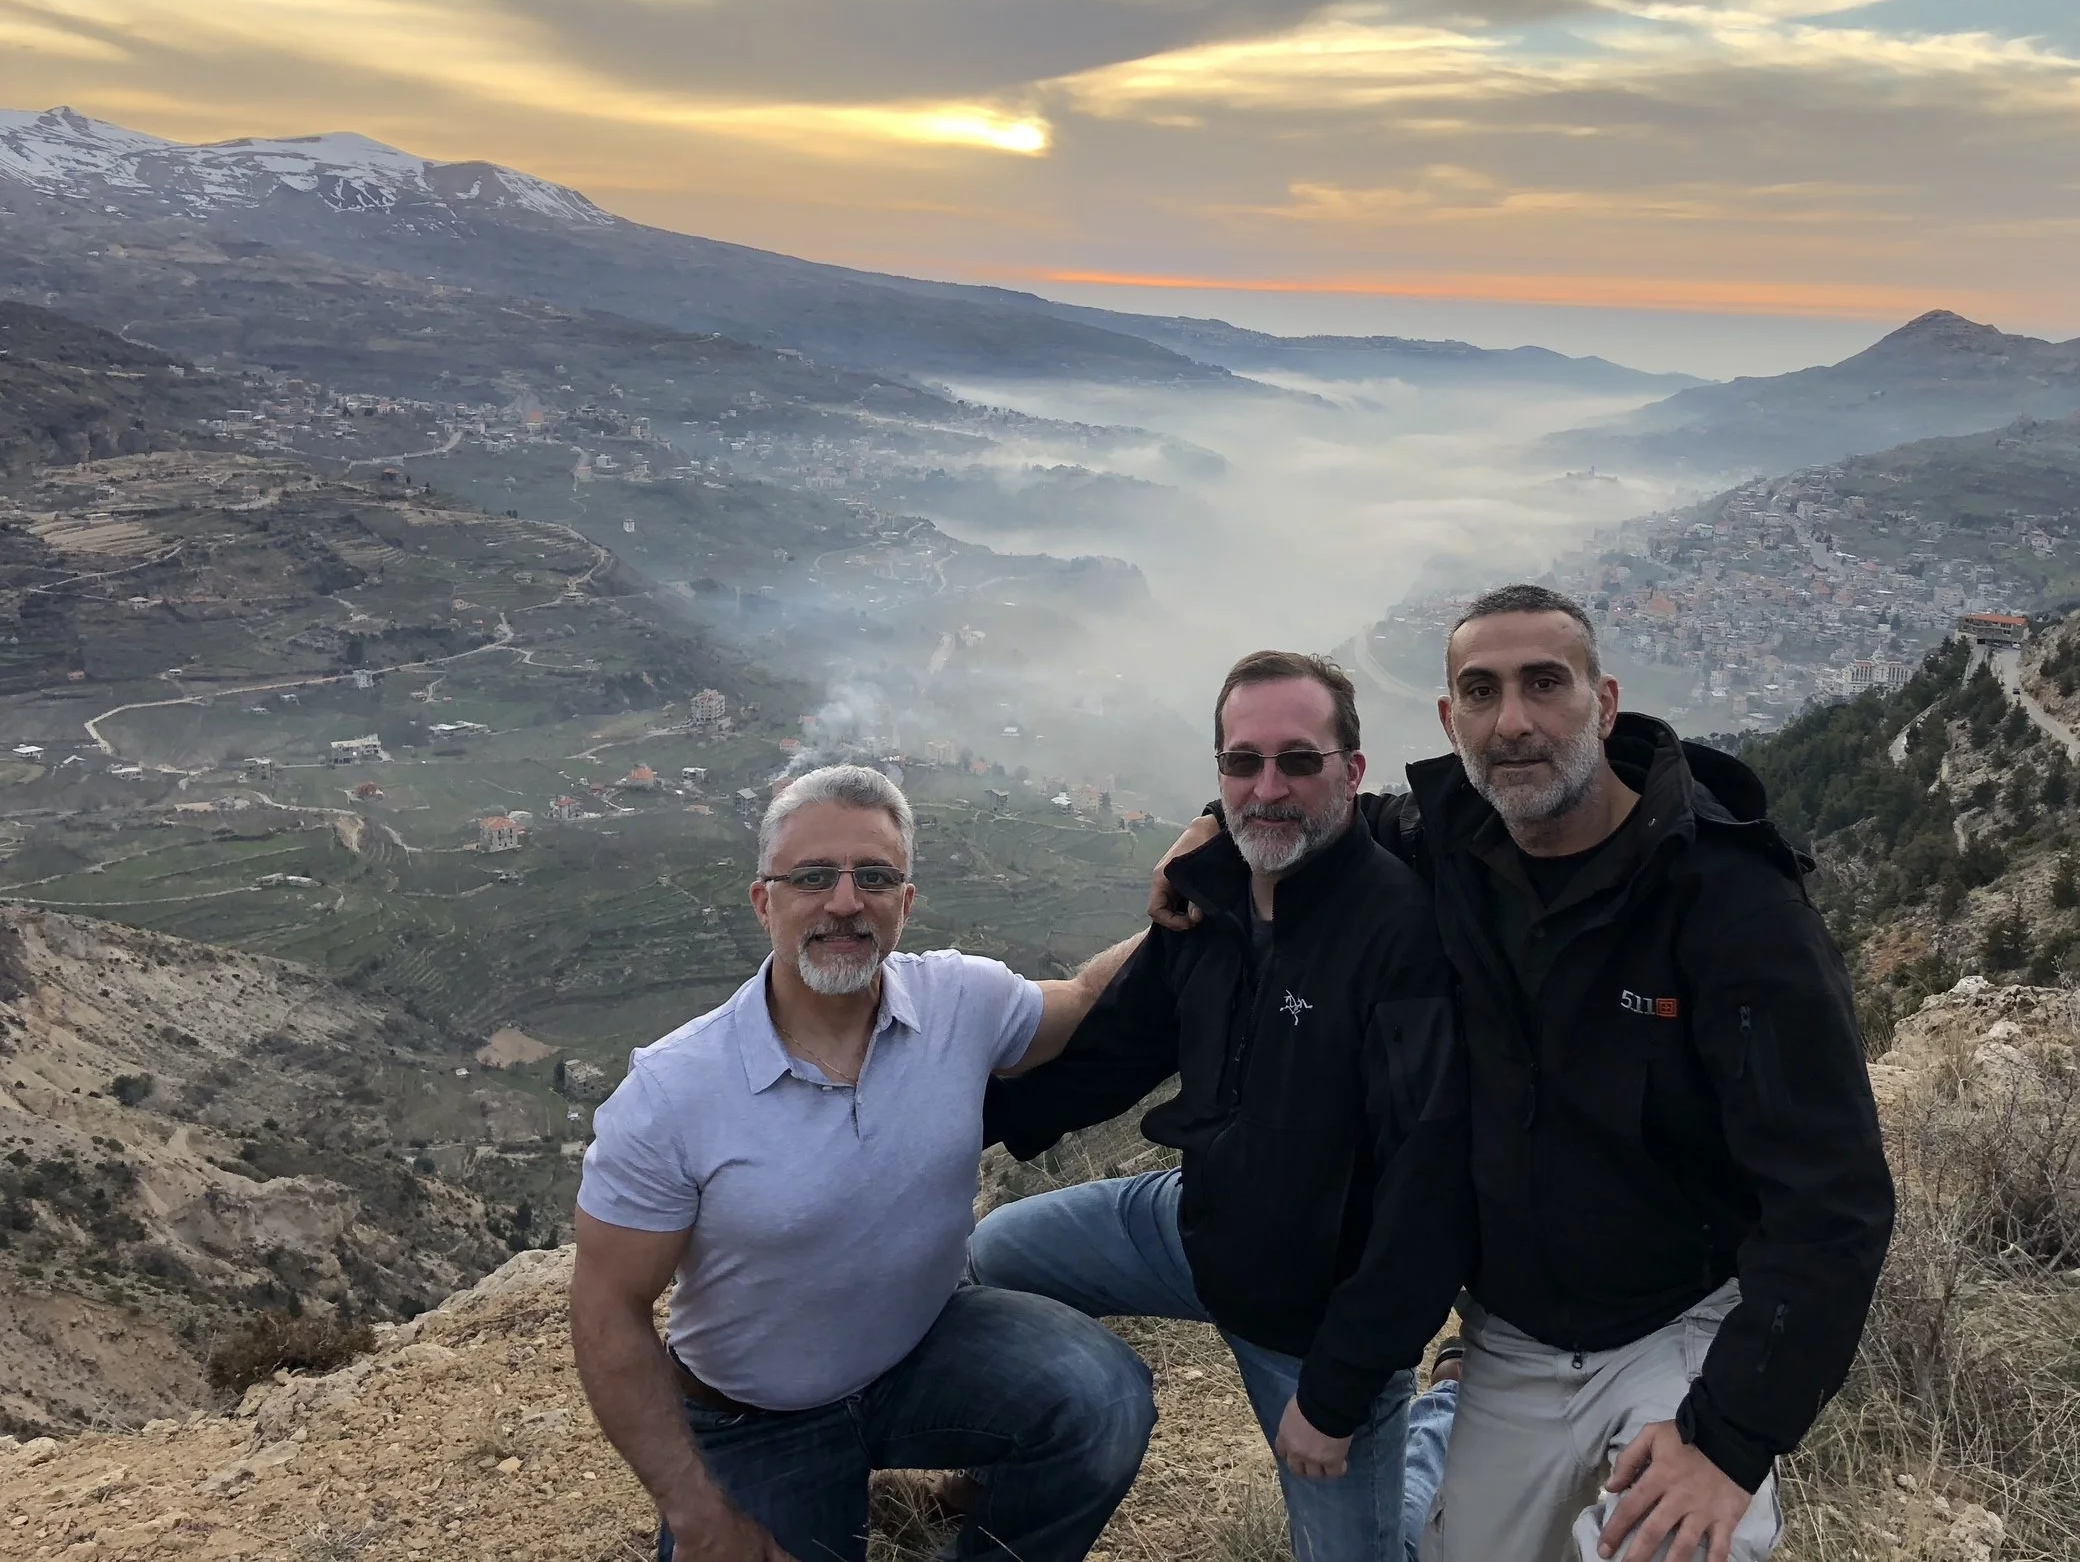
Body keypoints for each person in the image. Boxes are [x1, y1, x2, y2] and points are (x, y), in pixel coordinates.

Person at [1152, 588, 1895, 1562]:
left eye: (1545, 684)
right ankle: (1451, 1400)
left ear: (1604, 701)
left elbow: (1832, 1195)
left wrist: (1730, 1440)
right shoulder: (1441, 844)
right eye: (1480, 691)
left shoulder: (1729, 906)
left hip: (1677, 1320)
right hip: (1510, 1331)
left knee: (1680, 1547)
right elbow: (1314, 809)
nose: (1513, 722)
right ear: (1449, 719)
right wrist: (1212, 827)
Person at [571, 762, 1156, 1562]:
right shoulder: (673, 1092)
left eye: (873, 876)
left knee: (1103, 1398)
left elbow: (1088, 997)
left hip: (920, 1353)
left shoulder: (961, 1002)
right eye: (813, 876)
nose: (845, 901)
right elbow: (607, 1307)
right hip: (756, 1420)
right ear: (763, 900)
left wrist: (1196, 898)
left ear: (904, 903)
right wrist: (701, 1517)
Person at [975, 651, 1474, 1562]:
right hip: (1196, 1227)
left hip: (1316, 1314)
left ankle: (1444, 1416)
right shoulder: (1213, 902)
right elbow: (1109, 1055)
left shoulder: (1399, 938)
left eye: (1297, 760)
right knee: (992, 1252)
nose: (1267, 786)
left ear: (1353, 772)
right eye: (1242, 763)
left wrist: (1337, 1390)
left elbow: (1427, 1188)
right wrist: (941, 1119)